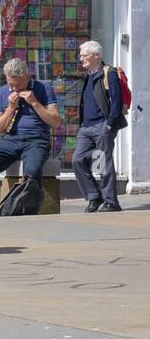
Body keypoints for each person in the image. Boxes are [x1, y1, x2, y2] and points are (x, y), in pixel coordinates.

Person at [0, 57, 61, 217]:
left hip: (37, 139)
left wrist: (34, 103)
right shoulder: (1, 92)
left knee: (32, 174)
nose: (14, 89)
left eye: (18, 84)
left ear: (28, 77)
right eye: (10, 84)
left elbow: (55, 122)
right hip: (11, 139)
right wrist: (11, 108)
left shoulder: (43, 89)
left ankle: (26, 213)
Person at [74, 40, 126, 213]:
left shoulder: (108, 73)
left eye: (84, 55)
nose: (80, 58)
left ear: (96, 56)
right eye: (80, 55)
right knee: (78, 160)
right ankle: (94, 196)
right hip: (86, 127)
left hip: (102, 125)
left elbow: (116, 99)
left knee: (102, 162)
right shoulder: (88, 74)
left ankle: (111, 201)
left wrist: (110, 124)